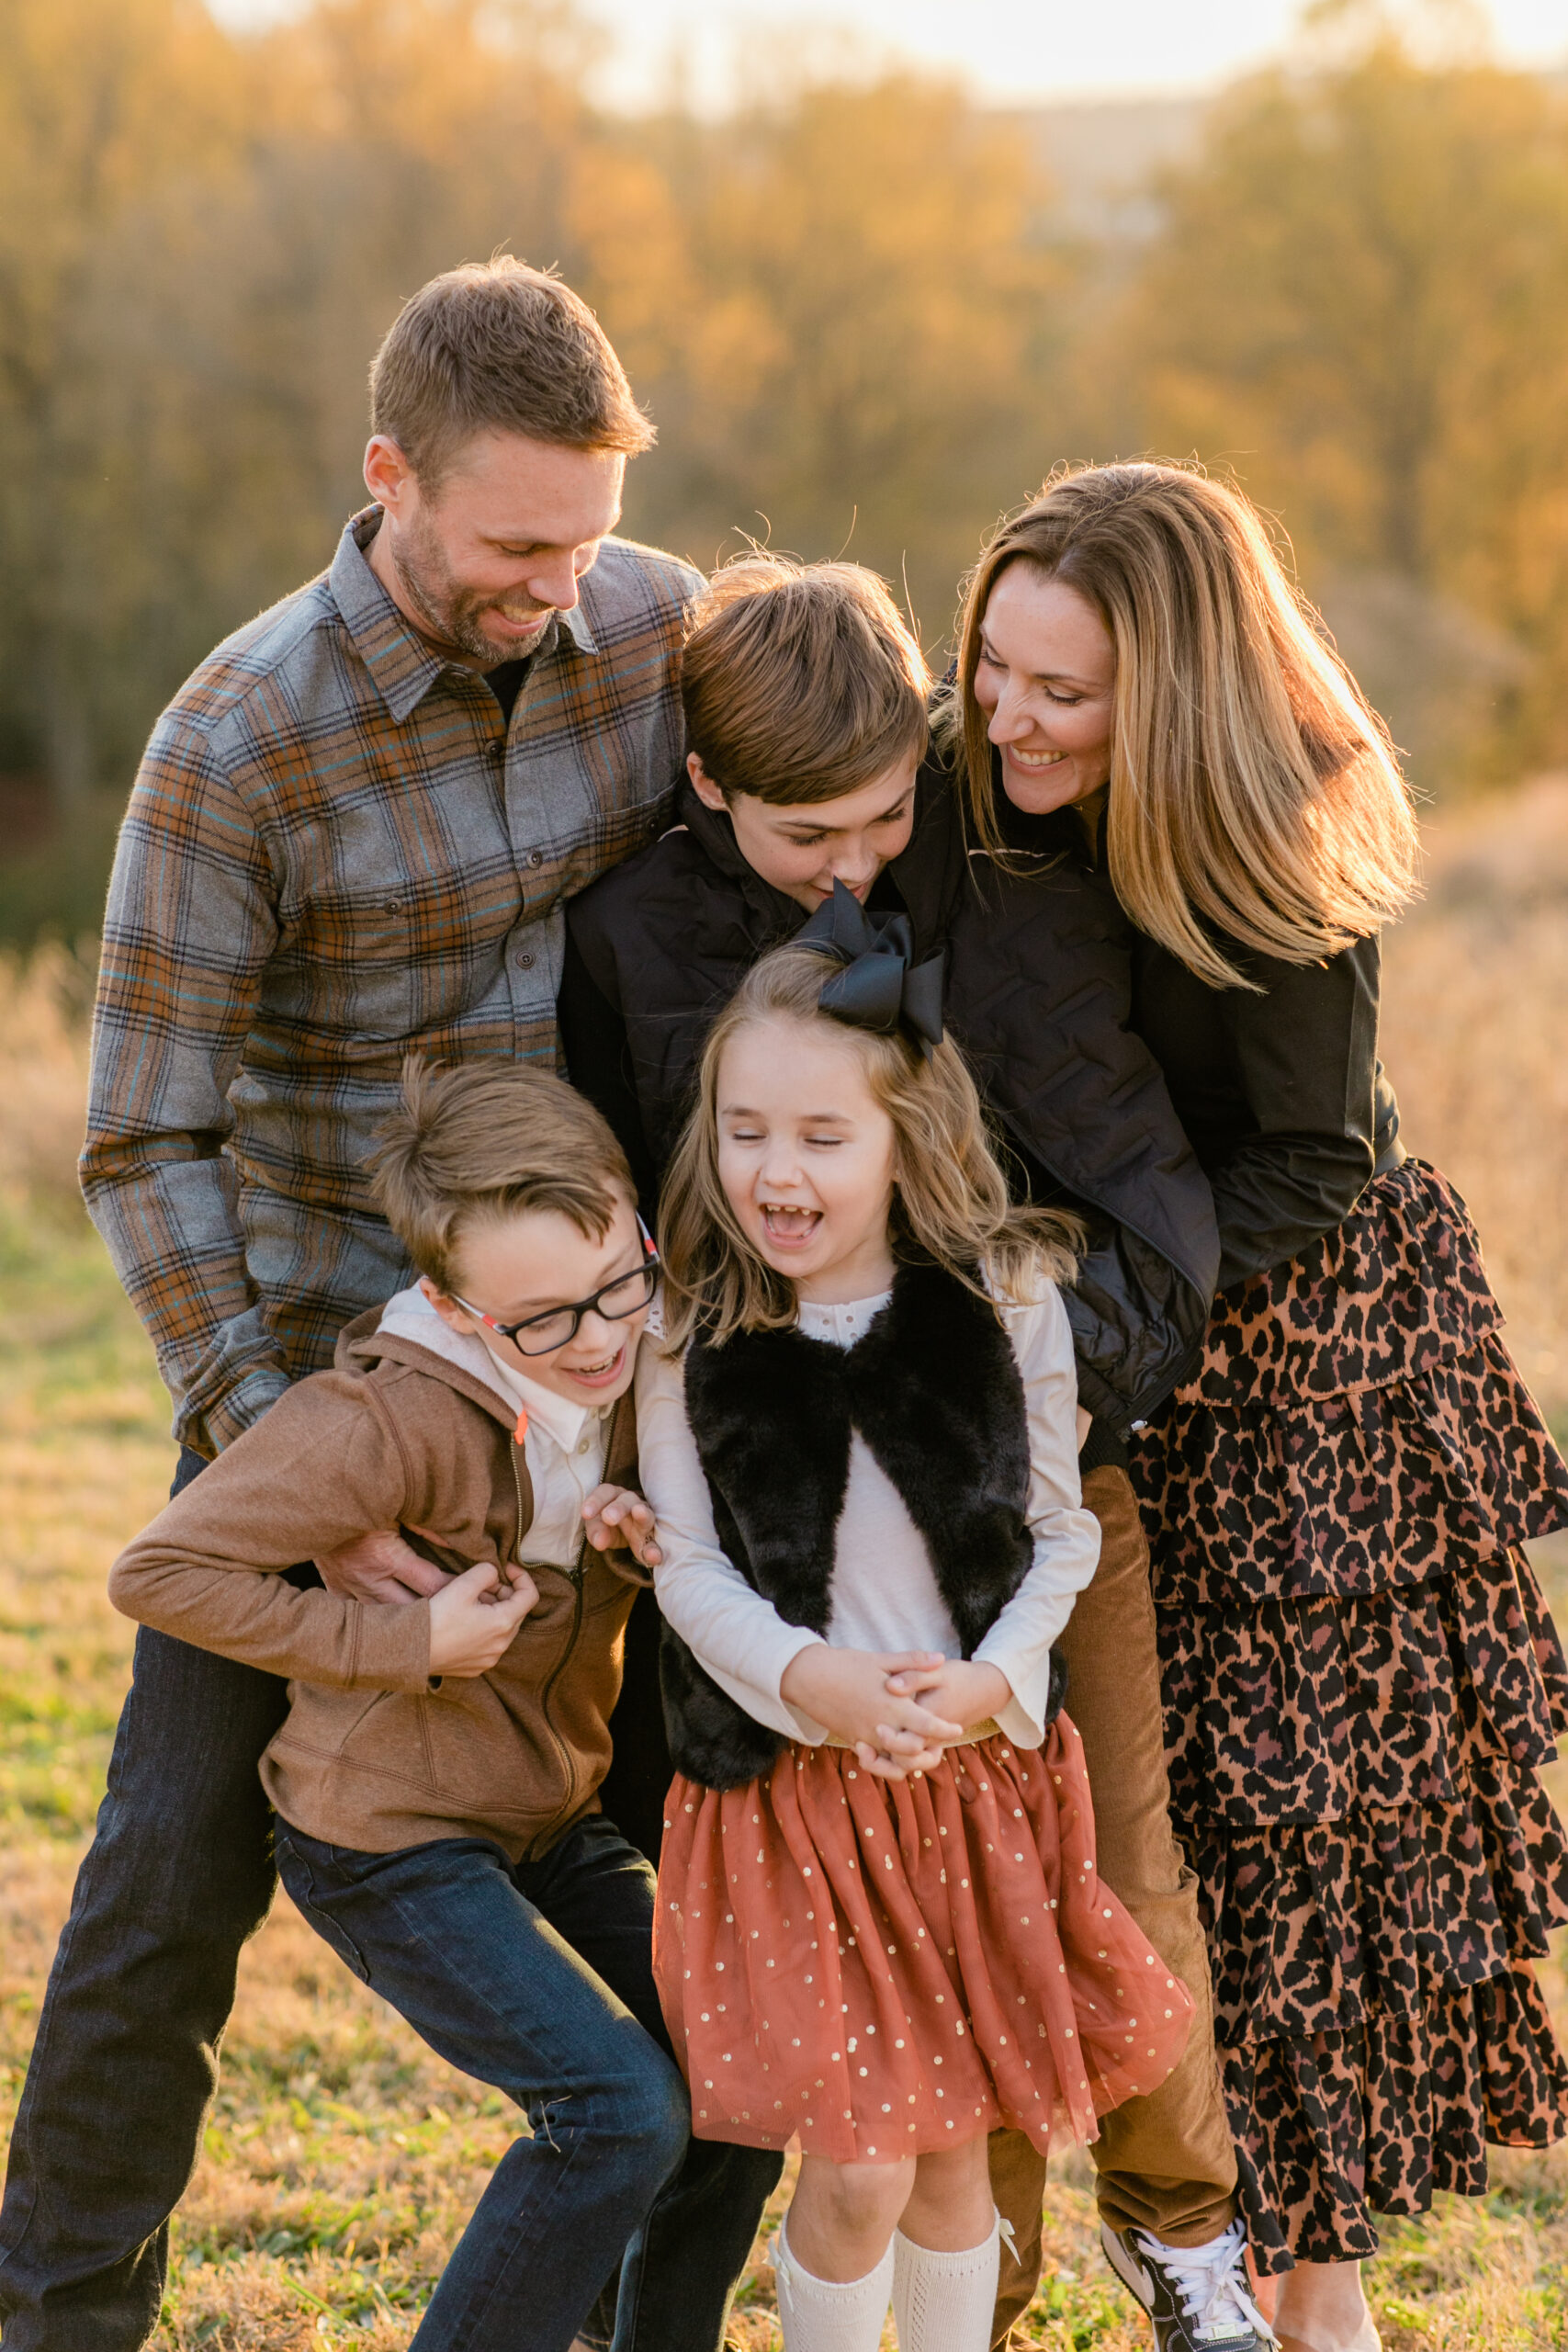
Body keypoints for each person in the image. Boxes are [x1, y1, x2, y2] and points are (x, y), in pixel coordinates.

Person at [0, 257, 708, 2352]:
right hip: (336, 1381)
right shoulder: (238, 739)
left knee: (650, 1848)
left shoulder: (654, 626)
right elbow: (144, 1138)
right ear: (385, 474)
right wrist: (283, 1465)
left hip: (594, 1360)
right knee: (162, 1887)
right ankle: (58, 2315)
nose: (555, 585)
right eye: (512, 543)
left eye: (584, 535)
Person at [565, 556, 1264, 2351]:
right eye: (814, 830)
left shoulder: (983, 866)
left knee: (1083, 1893)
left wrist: (1006, 1378)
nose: (862, 859)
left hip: (1000, 1482)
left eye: (888, 809)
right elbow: (641, 1220)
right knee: (853, 2092)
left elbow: (1123, 1199)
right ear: (709, 787)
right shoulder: (632, 940)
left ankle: (1168, 2233)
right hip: (773, 1527)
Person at [942, 458, 1568, 2352]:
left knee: (1297, 1825)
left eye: (1064, 690)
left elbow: (1305, 1158)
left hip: (1303, 1356)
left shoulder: (1270, 822)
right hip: (1114, 1335)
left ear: (1175, 691)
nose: (1010, 715)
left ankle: (1312, 2290)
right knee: (1142, 1814)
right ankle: (1107, 2222)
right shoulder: (984, 782)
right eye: (994, 667)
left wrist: (1134, 1315)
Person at [103, 1058, 778, 2352]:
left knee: (740, 2078)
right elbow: (160, 1570)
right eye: (538, 1322)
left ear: (637, 1230)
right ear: (454, 1309)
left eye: (613, 1289)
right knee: (620, 2109)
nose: (591, 1339)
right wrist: (401, 1638)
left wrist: (640, 1538)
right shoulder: (381, 1419)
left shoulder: (644, 1365)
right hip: (390, 1837)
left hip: (547, 1809)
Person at [636, 930, 1209, 2352]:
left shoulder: (1005, 1300)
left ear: (906, 1137)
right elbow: (687, 1564)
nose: (778, 1172)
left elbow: (1061, 1532)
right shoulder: (689, 1323)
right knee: (862, 2164)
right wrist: (808, 1678)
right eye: (746, 1130)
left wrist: (991, 1683)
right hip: (793, 1806)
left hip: (969, 1786)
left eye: (824, 1135)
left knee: (957, 2161)